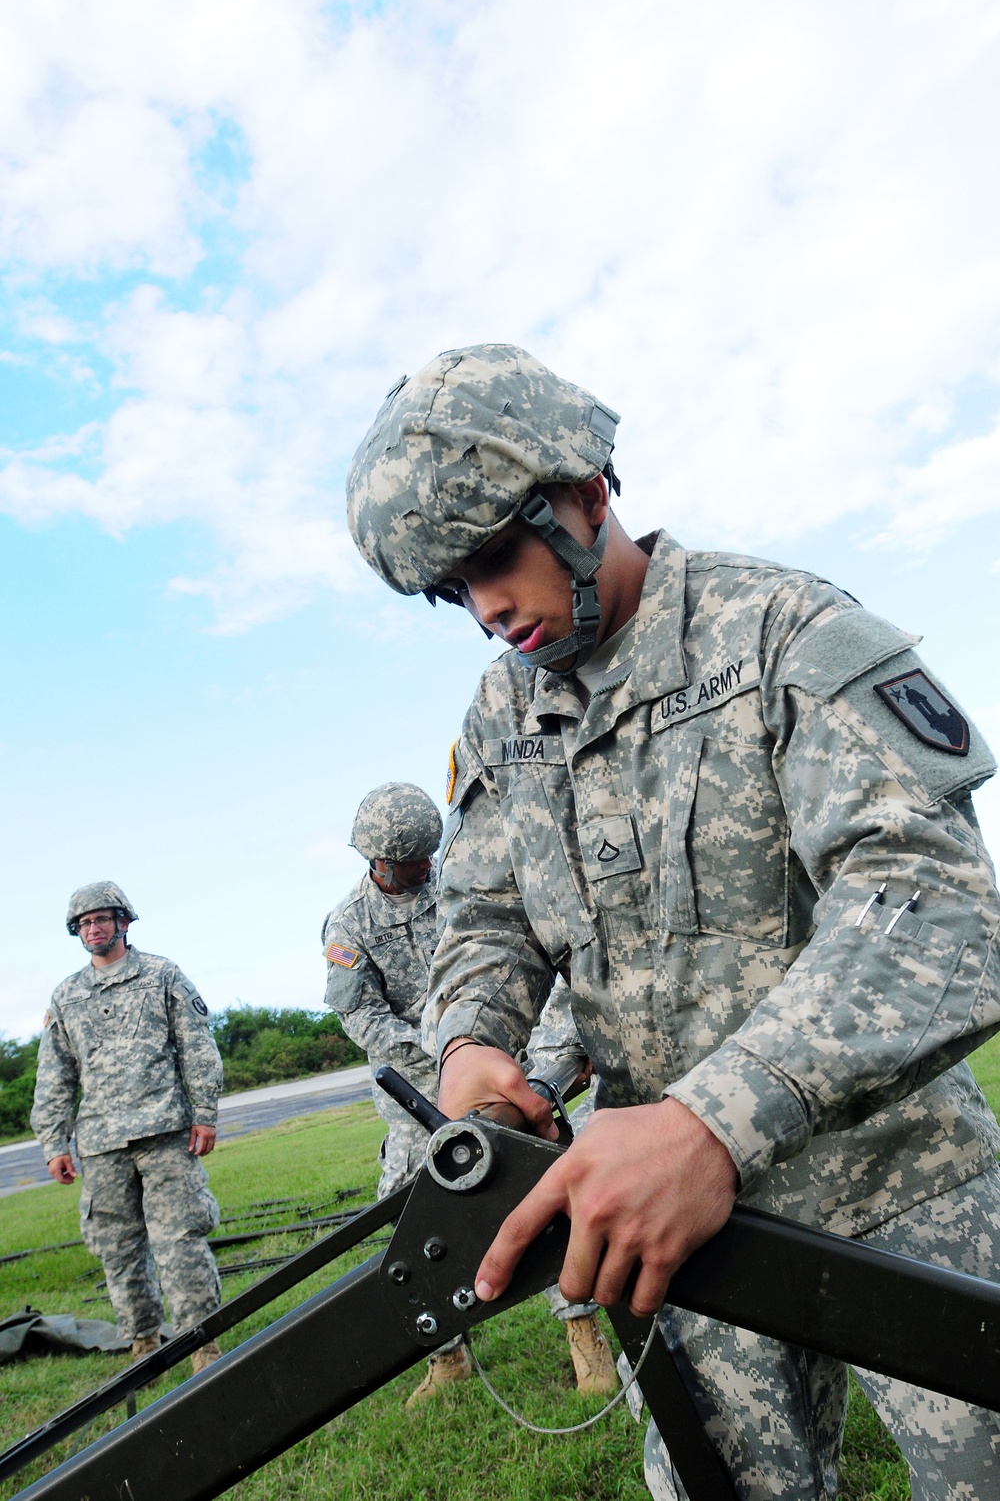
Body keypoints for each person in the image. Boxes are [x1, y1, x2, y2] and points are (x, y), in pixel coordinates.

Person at [346, 343, 1000, 1499]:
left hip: (903, 1188)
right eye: (454, 589)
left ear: (588, 496)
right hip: (676, 1242)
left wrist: (710, 1124)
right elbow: (485, 919)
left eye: (495, 558)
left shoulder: (778, 628)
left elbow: (937, 902)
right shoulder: (502, 714)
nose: (488, 609)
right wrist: (472, 1044)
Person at [322, 782, 617, 1404]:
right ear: (376, 861)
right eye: (411, 861)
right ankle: (445, 1358)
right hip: (419, 1097)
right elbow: (359, 1016)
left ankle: (583, 1335)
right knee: (412, 1225)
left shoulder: (465, 885)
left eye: (430, 854)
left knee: (547, 1198)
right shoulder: (349, 924)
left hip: (508, 1080)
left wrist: (535, 1053)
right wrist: (447, 1052)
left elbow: (531, 958)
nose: (425, 867)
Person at [31, 882, 224, 1375]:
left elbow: (196, 1045)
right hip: (100, 1145)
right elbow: (55, 1073)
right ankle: (143, 1344)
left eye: (101, 919)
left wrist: (204, 1111)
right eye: (84, 924)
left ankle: (203, 1345)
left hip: (165, 1133)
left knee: (179, 1238)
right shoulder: (68, 995)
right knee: (117, 1249)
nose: (93, 929)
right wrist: (54, 1142)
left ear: (123, 921)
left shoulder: (162, 974)